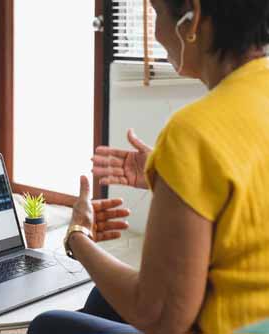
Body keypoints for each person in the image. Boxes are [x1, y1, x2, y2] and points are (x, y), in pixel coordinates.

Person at [29, 0, 269, 333]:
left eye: (156, 13)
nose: (155, 33)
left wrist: (77, 237)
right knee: (102, 299)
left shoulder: (194, 131)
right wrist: (174, 175)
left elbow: (158, 316)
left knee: (49, 325)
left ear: (192, 16)